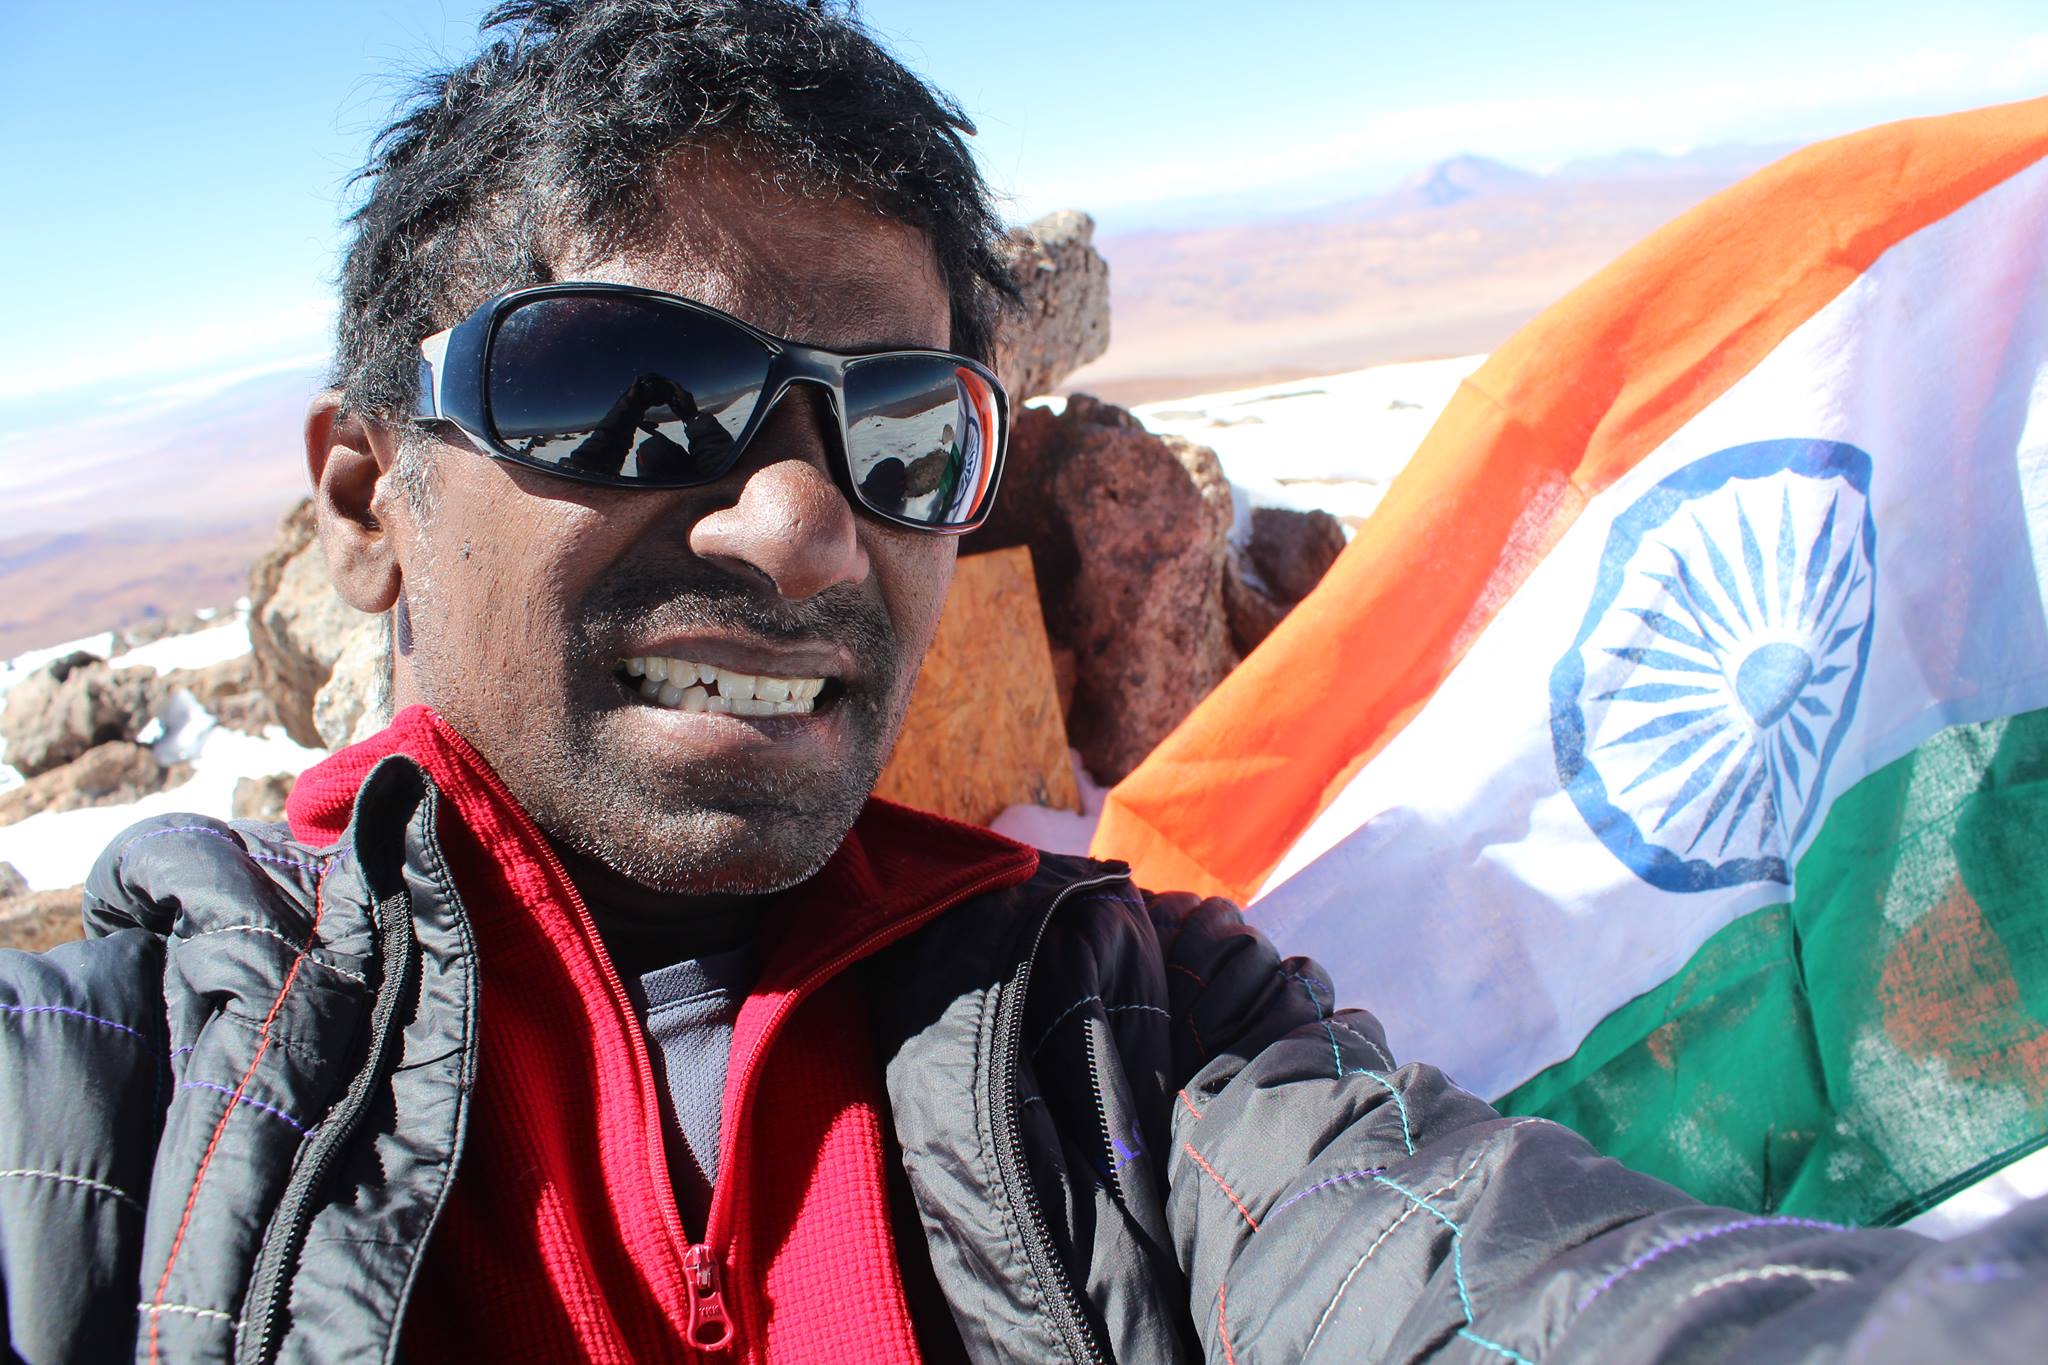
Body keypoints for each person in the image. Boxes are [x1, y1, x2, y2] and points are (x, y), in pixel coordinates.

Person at [3, 3, 2043, 1362]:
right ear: (366, 495)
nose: (804, 529)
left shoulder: (1129, 1038)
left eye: (906, 437)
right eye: (630, 394)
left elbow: (1530, 1286)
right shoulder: (108, 1097)